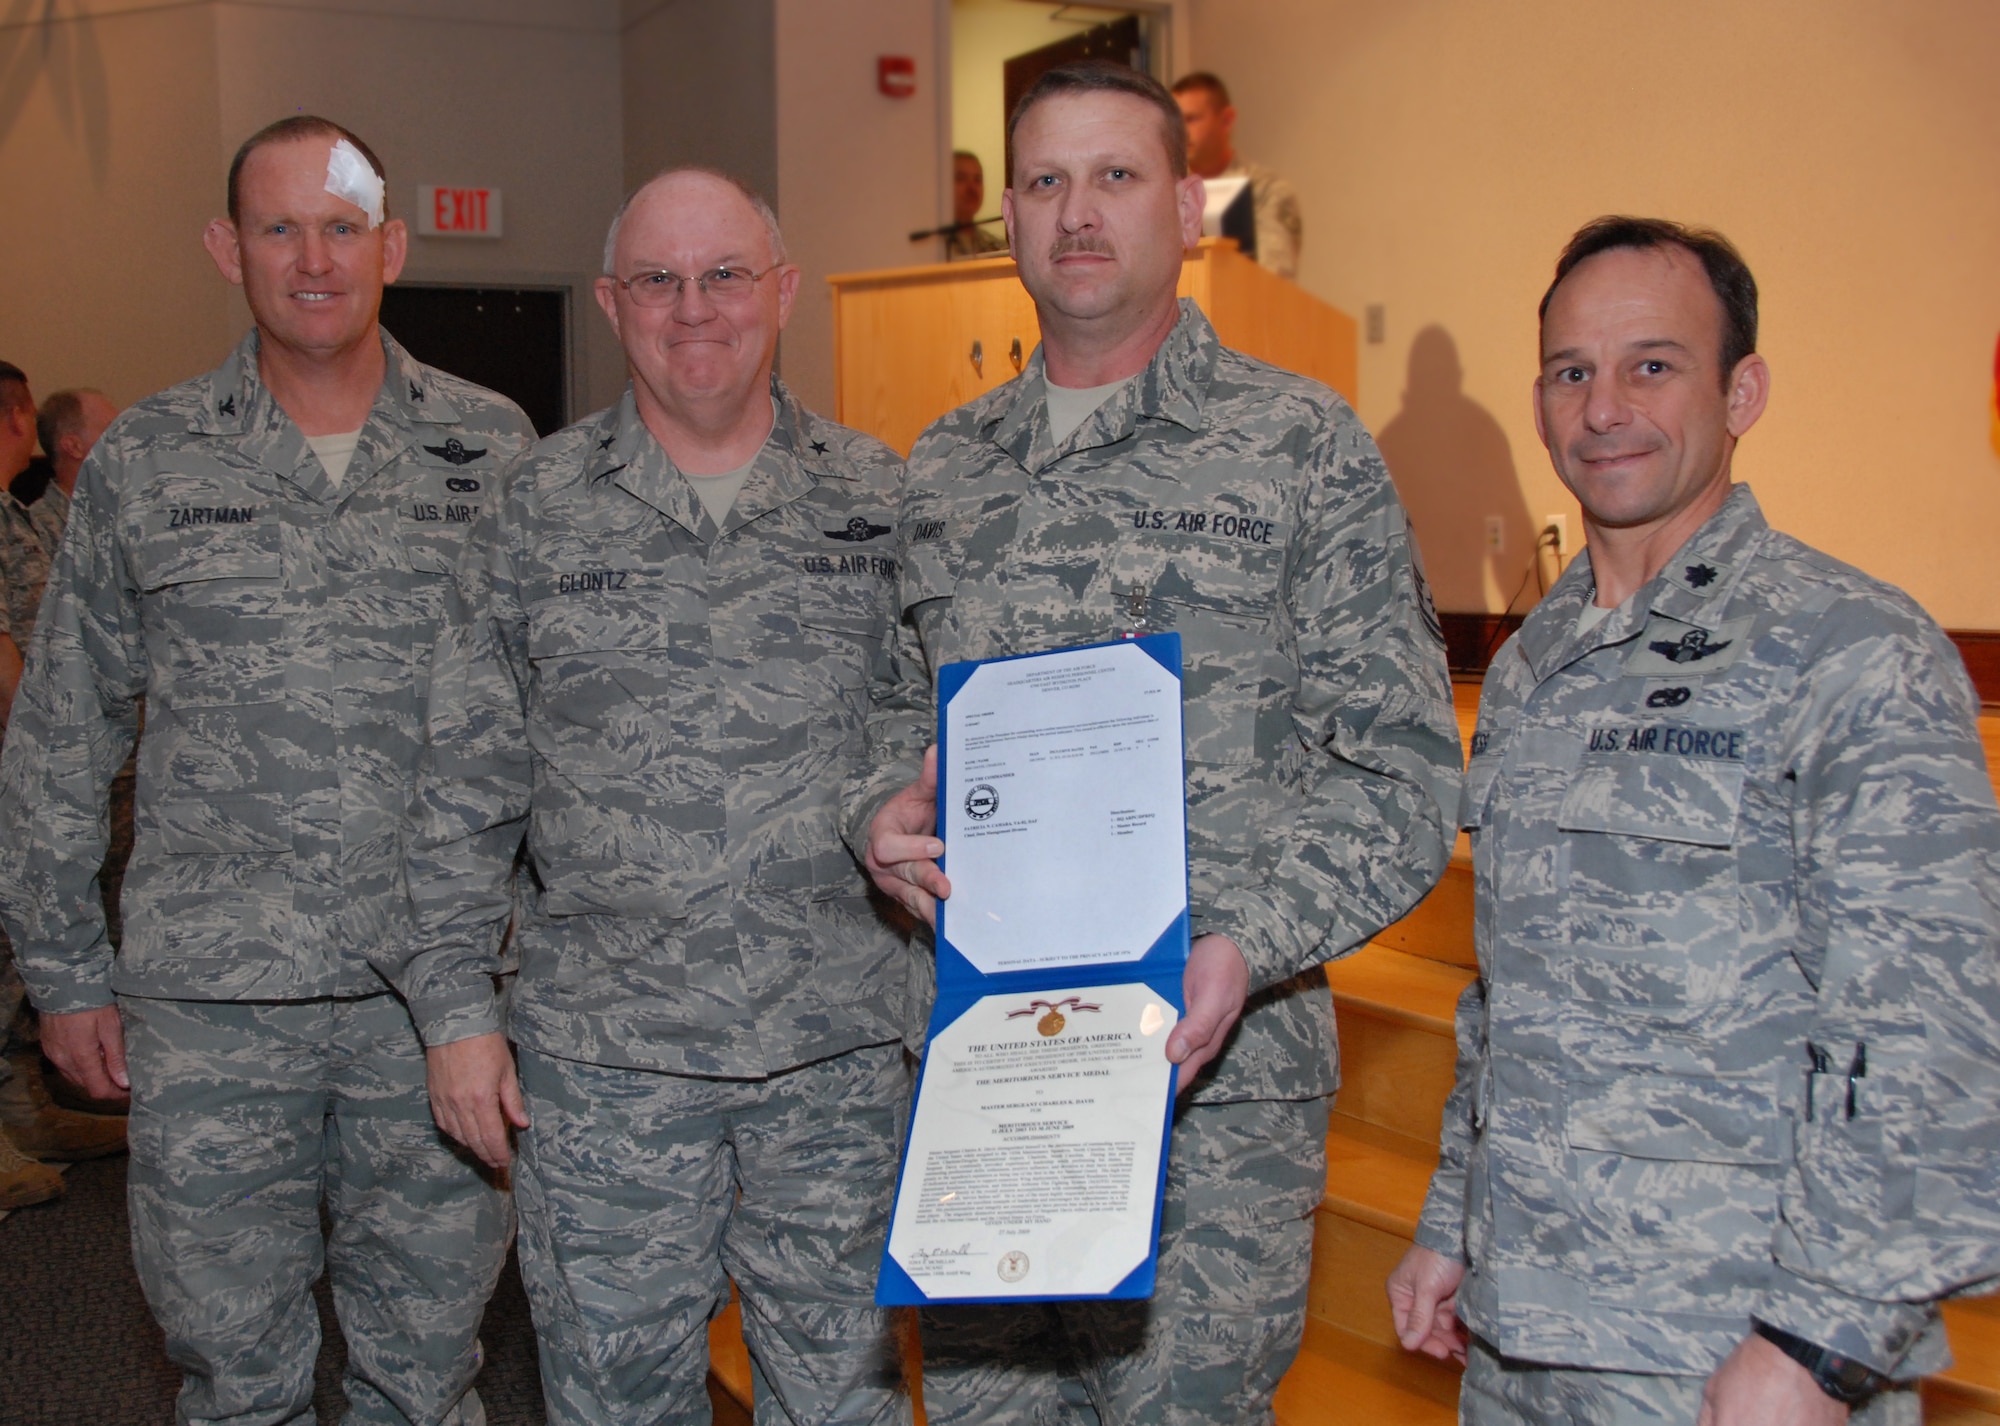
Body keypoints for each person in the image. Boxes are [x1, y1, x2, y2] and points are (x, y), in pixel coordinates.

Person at [854, 60, 1459, 1426]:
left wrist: (1247, 932)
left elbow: (1409, 774)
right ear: (1007, 215)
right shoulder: (947, 468)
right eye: (1047, 181)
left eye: (1117, 177)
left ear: (1189, 208)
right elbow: (890, 715)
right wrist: (877, 816)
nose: (1079, 212)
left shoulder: (1301, 451)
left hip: (1211, 1096)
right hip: (992, 1077)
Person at [1387, 217, 2000, 1425]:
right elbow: (1506, 996)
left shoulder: (1851, 651)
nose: (1604, 406)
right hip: (1521, 1337)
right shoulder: (1530, 667)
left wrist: (1820, 1345)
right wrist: (1453, 1220)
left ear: (1742, 390)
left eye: (1651, 365)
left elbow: (1925, 1032)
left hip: (1729, 1352)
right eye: (1573, 372)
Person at [0, 116, 530, 1424]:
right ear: (226, 246)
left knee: (428, 1374)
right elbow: (63, 727)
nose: (313, 258)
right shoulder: (147, 459)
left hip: (435, 1012)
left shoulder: (496, 450)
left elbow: (553, 725)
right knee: (236, 1379)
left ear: (391, 244)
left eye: (342, 225)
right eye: (280, 227)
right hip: (212, 1010)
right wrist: (62, 972)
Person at [397, 167, 915, 1425]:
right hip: (605, 1068)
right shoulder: (533, 507)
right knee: (616, 1400)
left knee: (841, 1401)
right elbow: (462, 778)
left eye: (726, 273)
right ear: (611, 302)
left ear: (783, 291)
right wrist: (454, 1011)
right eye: (659, 279)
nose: (695, 308)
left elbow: (927, 722)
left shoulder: (881, 497)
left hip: (836, 1053)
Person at [1171, 72, 1302, 281]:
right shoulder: (1165, 190)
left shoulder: (1267, 190)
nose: (1181, 132)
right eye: (1176, 122)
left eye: (1191, 119)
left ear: (1226, 120)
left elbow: (1273, 277)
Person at [947, 150, 1008, 260]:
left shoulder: (997, 248)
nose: (972, 188)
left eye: (977, 180)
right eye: (961, 178)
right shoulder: (933, 248)